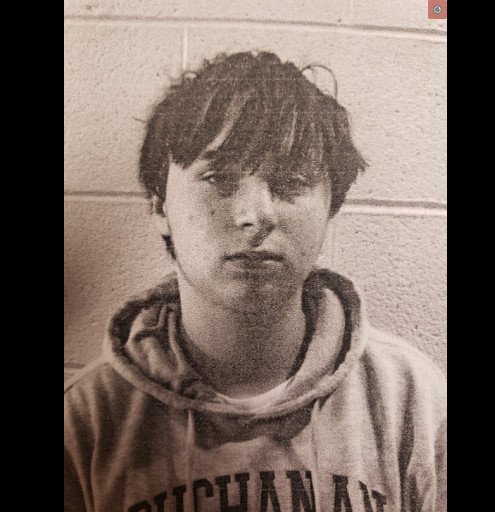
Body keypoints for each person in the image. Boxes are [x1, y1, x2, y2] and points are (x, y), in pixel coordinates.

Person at [64, 51, 446, 512]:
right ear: (160, 207)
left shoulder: (410, 399)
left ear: (331, 208)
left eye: (291, 181)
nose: (257, 215)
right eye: (219, 178)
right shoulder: (87, 419)